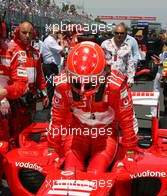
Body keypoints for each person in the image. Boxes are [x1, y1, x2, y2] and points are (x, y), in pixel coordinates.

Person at [48, 41, 138, 173]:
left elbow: (127, 120)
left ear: (104, 73)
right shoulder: (63, 84)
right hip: (77, 133)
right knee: (70, 170)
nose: (82, 89)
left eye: (89, 82)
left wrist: (129, 153)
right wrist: (52, 150)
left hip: (106, 135)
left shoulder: (115, 86)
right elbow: (57, 119)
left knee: (96, 172)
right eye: (77, 82)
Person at [0, 12, 28, 190]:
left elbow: (22, 84)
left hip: (0, 112)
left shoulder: (13, 51)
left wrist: (5, 91)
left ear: (2, 31)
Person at [8, 21, 47, 145]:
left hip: (30, 99)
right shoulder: (10, 49)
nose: (27, 35)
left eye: (30, 33)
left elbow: (40, 76)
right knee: (13, 131)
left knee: (30, 128)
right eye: (24, 32)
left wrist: (44, 93)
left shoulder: (35, 53)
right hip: (14, 99)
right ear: (18, 32)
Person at [101, 23, 135, 88]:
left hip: (121, 79)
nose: (119, 35)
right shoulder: (105, 44)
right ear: (114, 33)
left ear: (125, 34)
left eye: (122, 33)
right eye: (117, 33)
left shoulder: (127, 47)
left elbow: (130, 64)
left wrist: (130, 79)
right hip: (106, 79)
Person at [41, 27, 64, 105]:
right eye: (57, 33)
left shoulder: (50, 40)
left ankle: (50, 101)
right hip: (50, 66)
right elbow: (61, 49)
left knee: (52, 85)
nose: (58, 35)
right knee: (51, 85)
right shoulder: (50, 40)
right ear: (53, 33)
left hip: (50, 66)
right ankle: (49, 102)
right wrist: (61, 40)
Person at [150, 41, 167, 116]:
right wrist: (157, 61)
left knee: (164, 93)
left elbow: (164, 63)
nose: (164, 47)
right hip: (160, 73)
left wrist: (160, 63)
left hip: (164, 73)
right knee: (156, 92)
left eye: (164, 46)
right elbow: (161, 63)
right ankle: (154, 113)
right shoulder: (162, 54)